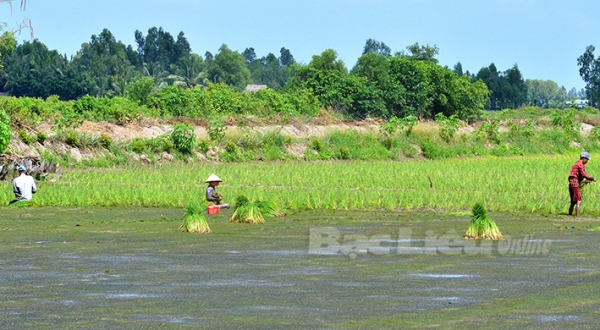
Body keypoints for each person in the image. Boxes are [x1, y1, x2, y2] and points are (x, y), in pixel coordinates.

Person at [568, 152, 596, 216]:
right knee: (579, 201)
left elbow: (577, 176)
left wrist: (585, 181)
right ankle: (578, 216)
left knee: (573, 202)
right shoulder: (580, 164)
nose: (587, 161)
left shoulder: (576, 164)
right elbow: (583, 174)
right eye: (587, 159)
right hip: (575, 184)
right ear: (584, 158)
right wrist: (591, 178)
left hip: (571, 183)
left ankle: (569, 215)